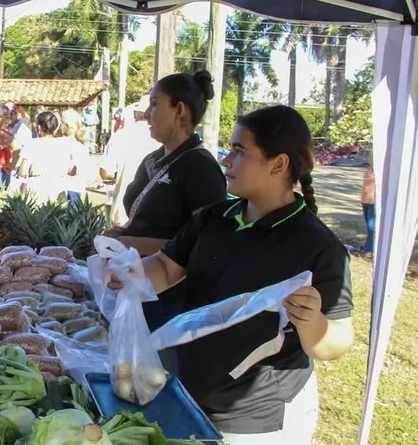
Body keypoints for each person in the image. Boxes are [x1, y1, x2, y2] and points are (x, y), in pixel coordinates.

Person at [116, 105, 353, 442]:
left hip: (258, 418)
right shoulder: (215, 217)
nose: (226, 161)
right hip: (193, 394)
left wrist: (313, 322)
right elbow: (168, 267)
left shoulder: (317, 246)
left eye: (239, 152)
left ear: (279, 163)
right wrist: (129, 275)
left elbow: (337, 341)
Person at [104, 72, 227, 353]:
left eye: (155, 104)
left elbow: (205, 244)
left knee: (153, 374)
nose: (147, 114)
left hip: (170, 300)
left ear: (179, 110)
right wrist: (124, 234)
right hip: (137, 287)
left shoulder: (200, 166)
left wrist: (131, 243)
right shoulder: (155, 159)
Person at [101, 98, 156, 227]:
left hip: (122, 212)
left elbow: (106, 173)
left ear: (135, 114)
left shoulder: (120, 136)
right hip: (152, 216)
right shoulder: (162, 139)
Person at [16, 112, 82, 203]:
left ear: (39, 127)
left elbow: (23, 172)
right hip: (59, 189)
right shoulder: (64, 144)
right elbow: (72, 172)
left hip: (37, 189)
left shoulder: (32, 144)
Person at [361, 153, 375, 255]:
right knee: (368, 224)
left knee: (372, 226)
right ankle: (368, 246)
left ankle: (369, 249)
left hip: (373, 202)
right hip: (365, 200)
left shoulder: (381, 172)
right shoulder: (369, 170)